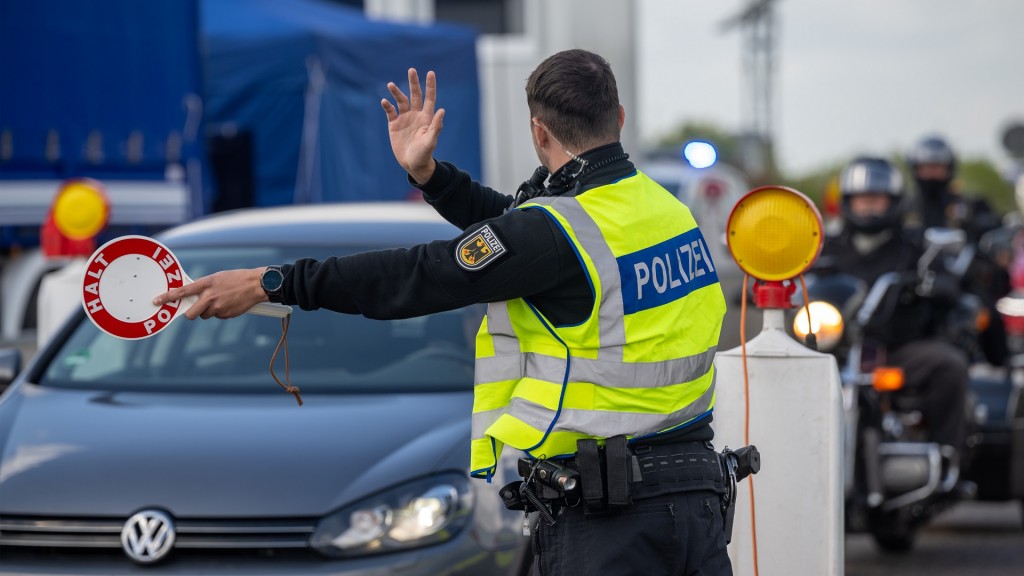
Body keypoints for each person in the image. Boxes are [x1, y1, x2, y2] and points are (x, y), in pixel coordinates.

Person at [154, 49, 733, 575]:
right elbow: (517, 231)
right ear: (621, 118)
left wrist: (271, 282)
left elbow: (422, 274)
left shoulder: (559, 232)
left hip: (611, 522)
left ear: (539, 131)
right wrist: (431, 176)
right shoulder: (664, 210)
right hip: (694, 500)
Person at [822, 156, 969, 455]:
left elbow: (947, 279)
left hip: (896, 348)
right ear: (847, 201)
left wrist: (938, 283)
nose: (869, 206)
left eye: (877, 198)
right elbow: (794, 273)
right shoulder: (825, 244)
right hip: (832, 350)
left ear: (895, 202)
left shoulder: (915, 245)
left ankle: (946, 455)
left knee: (949, 365)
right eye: (862, 199)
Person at [908, 135, 1010, 366]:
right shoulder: (905, 208)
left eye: (938, 167)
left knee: (989, 315)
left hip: (962, 281)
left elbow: (991, 234)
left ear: (949, 169)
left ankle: (1002, 370)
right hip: (917, 281)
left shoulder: (968, 206)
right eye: (926, 168)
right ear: (915, 170)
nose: (932, 174)